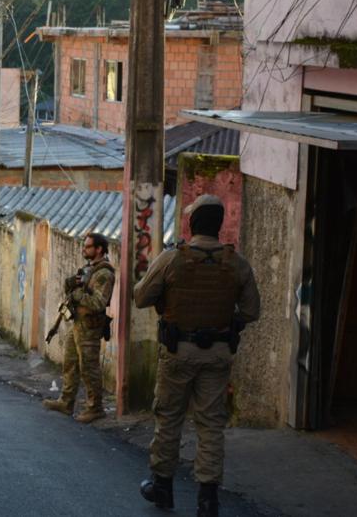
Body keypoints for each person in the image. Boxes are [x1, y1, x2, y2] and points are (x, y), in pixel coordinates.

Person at [133, 194, 261, 517]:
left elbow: (140, 298)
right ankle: (208, 499)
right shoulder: (237, 263)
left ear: (192, 223)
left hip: (178, 352)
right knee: (211, 425)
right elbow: (251, 310)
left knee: (169, 418)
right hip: (217, 354)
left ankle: (162, 486)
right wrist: (226, 322)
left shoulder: (173, 258)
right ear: (218, 225)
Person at [42, 232, 115, 424]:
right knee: (70, 363)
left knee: (89, 368)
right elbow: (76, 291)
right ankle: (66, 402)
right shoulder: (89, 269)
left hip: (90, 328)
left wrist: (77, 295)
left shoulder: (104, 273)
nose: (84, 249)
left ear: (99, 249)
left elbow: (99, 302)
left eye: (88, 246)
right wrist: (70, 286)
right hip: (78, 324)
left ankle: (95, 408)